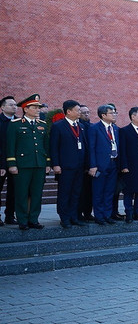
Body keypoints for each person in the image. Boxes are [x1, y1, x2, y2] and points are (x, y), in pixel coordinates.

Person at [5, 94, 51, 230]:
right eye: (35, 107)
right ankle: (22, 220)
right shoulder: (15, 124)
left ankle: (34, 219)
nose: (38, 110)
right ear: (25, 109)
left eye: (39, 107)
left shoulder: (42, 125)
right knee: (22, 193)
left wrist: (47, 163)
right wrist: (12, 164)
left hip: (39, 164)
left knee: (37, 193)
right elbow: (11, 145)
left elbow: (45, 146)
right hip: (22, 165)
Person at [49, 99, 89, 228]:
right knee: (65, 193)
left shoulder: (81, 126)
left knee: (76, 192)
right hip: (65, 167)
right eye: (77, 110)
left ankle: (74, 216)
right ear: (68, 111)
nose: (79, 112)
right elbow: (54, 147)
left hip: (79, 166)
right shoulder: (58, 126)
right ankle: (64, 217)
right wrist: (55, 164)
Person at [88, 103, 121, 225]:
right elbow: (91, 148)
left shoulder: (115, 128)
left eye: (115, 113)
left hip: (113, 163)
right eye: (112, 113)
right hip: (100, 165)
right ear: (103, 115)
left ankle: (107, 215)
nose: (114, 115)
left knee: (109, 191)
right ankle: (99, 216)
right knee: (98, 192)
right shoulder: (94, 128)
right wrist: (92, 165)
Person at [0, 95, 18, 226]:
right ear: (2, 107)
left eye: (15, 104)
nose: (14, 106)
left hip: (16, 163)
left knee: (14, 190)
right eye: (11, 104)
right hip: (1, 163)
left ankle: (10, 215)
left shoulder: (19, 122)